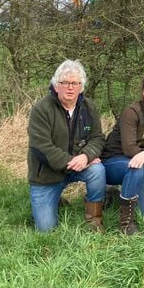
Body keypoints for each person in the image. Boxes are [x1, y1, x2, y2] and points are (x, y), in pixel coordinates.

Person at [27, 59, 106, 232]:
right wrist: (74, 161)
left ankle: (94, 220)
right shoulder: (42, 109)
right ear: (56, 86)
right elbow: (41, 148)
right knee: (46, 229)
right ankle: (53, 198)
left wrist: (86, 156)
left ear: (81, 87)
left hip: (78, 166)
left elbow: (97, 138)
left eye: (75, 83)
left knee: (98, 171)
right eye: (65, 83)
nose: (70, 87)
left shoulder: (89, 107)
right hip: (47, 175)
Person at [101, 71, 144, 235]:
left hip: (136, 164)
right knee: (136, 167)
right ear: (143, 91)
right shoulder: (131, 112)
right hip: (111, 162)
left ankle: (114, 193)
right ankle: (126, 223)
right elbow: (129, 148)